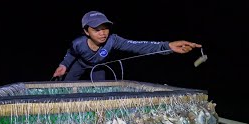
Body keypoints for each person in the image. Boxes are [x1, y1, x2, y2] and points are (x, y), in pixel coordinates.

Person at [53, 10, 202, 81]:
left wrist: (168, 46)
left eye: (105, 28)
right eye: (96, 30)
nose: (103, 33)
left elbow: (139, 46)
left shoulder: (113, 40)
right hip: (80, 64)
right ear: (86, 31)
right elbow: (71, 54)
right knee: (66, 88)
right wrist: (64, 65)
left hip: (98, 67)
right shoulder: (78, 43)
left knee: (101, 94)